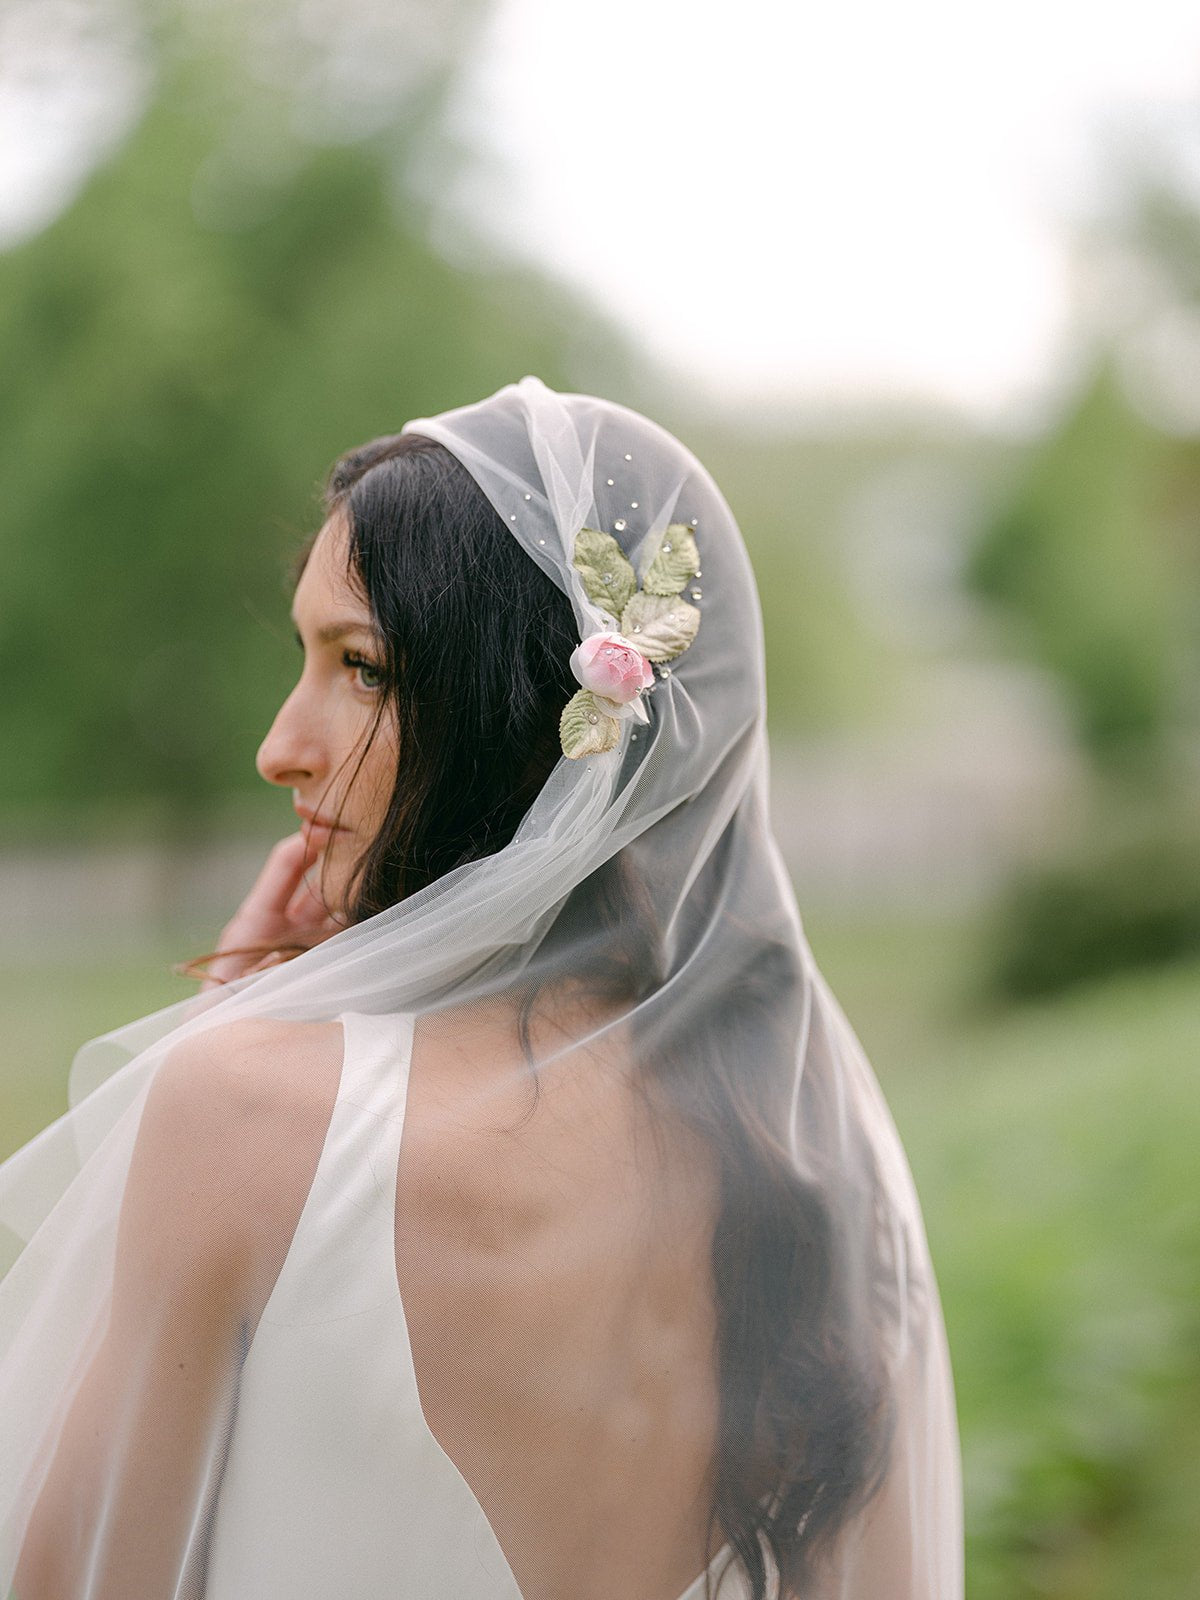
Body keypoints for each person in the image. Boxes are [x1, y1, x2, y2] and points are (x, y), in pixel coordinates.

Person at [0, 378, 962, 1599]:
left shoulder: (252, 1118)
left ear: (523, 716)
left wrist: (238, 1023)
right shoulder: (816, 1159)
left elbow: (65, 1575)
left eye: (362, 668)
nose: (278, 744)